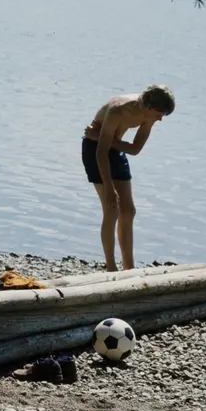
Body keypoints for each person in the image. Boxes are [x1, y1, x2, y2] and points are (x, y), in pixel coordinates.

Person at [82, 84, 175, 272]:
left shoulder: (149, 117)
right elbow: (101, 152)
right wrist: (109, 188)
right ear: (150, 107)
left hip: (115, 148)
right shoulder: (118, 110)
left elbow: (135, 149)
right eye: (159, 114)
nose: (160, 119)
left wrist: (112, 141)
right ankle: (111, 267)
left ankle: (129, 267)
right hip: (95, 150)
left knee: (129, 210)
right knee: (112, 208)